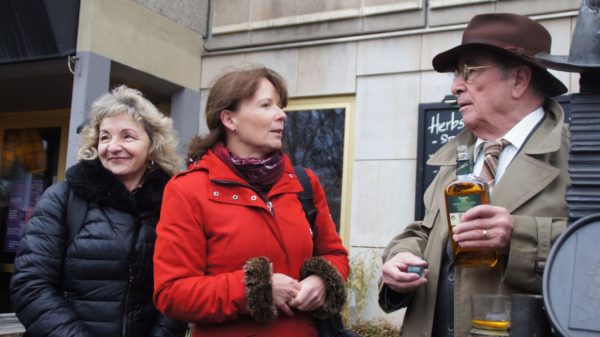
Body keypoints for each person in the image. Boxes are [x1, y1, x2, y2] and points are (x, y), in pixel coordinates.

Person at [379, 13, 570, 337]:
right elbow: (428, 233)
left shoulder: (579, 156)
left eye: (470, 71)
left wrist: (517, 236)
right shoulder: (457, 157)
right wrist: (402, 256)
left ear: (519, 80)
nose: (455, 86)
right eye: (456, 74)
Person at [153, 67, 350, 337]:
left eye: (279, 106)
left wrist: (323, 280)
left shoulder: (304, 183)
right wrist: (256, 289)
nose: (281, 114)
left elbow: (336, 255)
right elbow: (172, 292)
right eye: (266, 105)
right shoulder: (188, 190)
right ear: (229, 119)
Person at [10, 85, 187, 337]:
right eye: (105, 137)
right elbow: (30, 286)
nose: (113, 146)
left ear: (153, 146)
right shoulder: (63, 198)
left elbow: (179, 290)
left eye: (127, 136)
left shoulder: (171, 204)